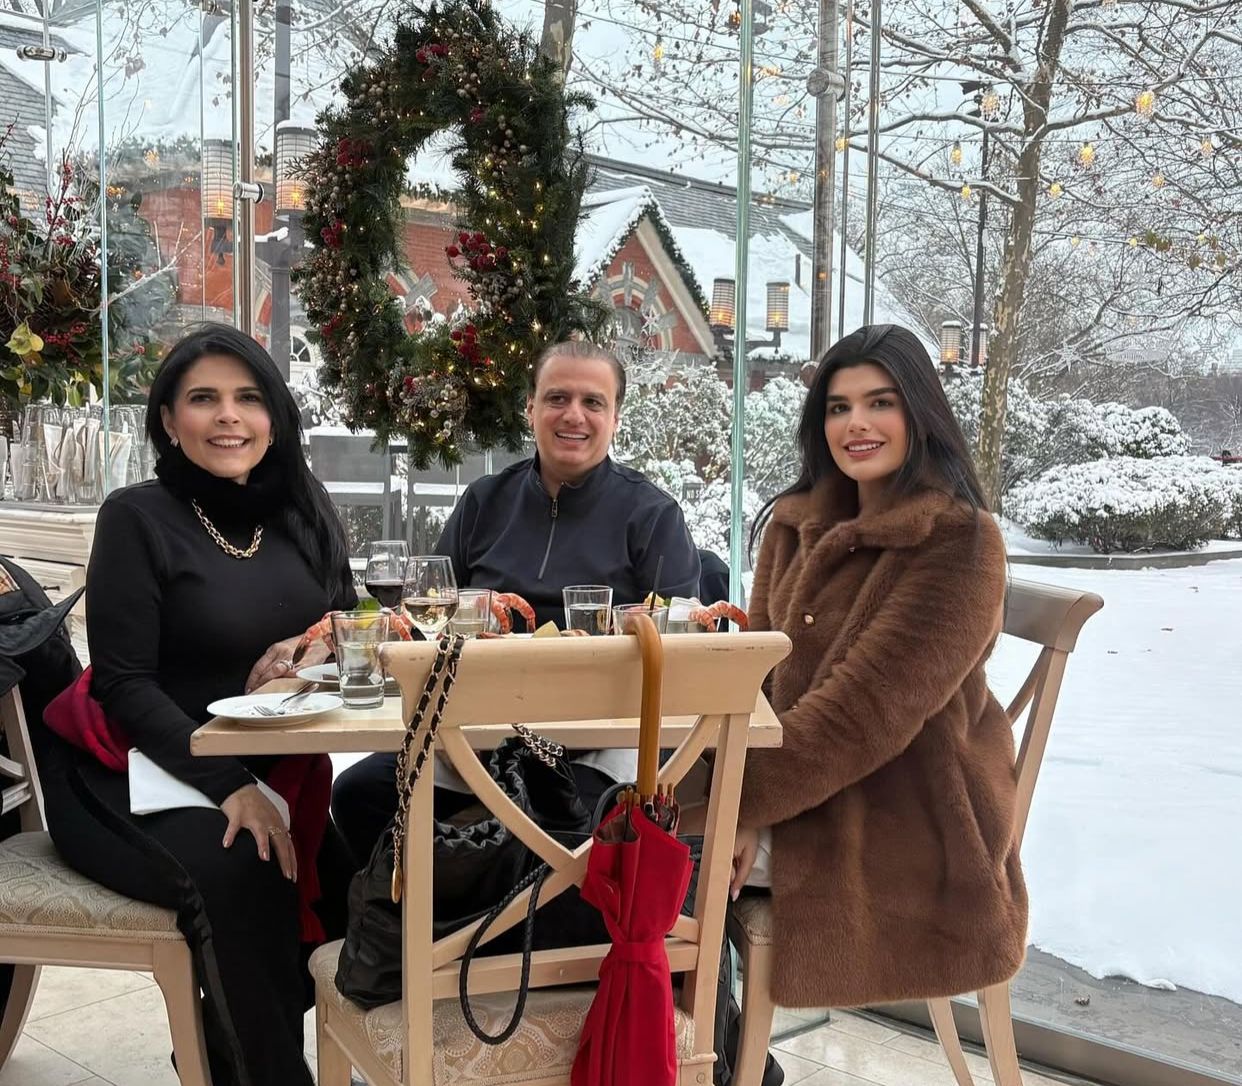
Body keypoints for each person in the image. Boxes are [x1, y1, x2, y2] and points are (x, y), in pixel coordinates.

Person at [37, 324, 356, 1086]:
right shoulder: (136, 517)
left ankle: (221, 1051)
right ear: (169, 420)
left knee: (358, 890)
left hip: (266, 768)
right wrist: (231, 785)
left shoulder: (302, 510)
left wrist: (313, 646)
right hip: (125, 770)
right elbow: (124, 685)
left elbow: (351, 621)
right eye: (204, 399)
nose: (228, 417)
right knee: (247, 873)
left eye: (248, 398)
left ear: (274, 416)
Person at [730, 324, 1028, 1008]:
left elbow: (860, 718)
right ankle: (696, 1046)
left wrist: (732, 804)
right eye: (839, 407)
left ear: (919, 413)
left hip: (903, 818)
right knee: (608, 815)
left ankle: (694, 1051)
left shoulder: (959, 541)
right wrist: (737, 809)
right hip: (796, 784)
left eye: (880, 403)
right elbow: (756, 678)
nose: (856, 424)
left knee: (640, 854)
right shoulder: (793, 526)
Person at [332, 339, 701, 864]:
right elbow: (424, 612)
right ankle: (432, 910)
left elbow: (683, 644)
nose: (573, 415)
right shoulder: (484, 501)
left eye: (593, 402)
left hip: (597, 738)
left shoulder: (653, 515)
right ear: (530, 408)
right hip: (476, 732)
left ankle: (495, 908)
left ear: (616, 418)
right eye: (557, 398)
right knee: (358, 795)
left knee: (561, 831)